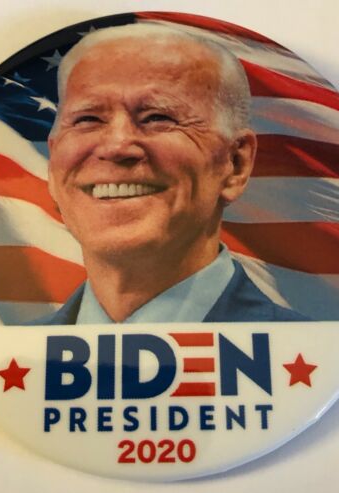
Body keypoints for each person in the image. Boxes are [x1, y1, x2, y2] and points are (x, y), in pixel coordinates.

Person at [38, 23, 306, 324]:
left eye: (157, 117)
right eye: (88, 119)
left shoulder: (308, 346)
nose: (116, 146)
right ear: (53, 161)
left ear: (235, 163)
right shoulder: (15, 347)